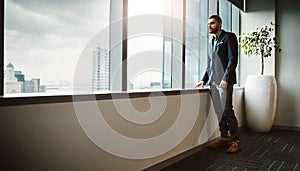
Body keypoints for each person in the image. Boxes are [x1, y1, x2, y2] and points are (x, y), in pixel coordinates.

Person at [194, 15, 240, 153]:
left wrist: (226, 78)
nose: (209, 26)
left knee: (227, 110)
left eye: (212, 23)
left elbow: (233, 60)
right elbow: (209, 64)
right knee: (219, 112)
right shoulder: (212, 41)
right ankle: (224, 138)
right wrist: (204, 79)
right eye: (208, 23)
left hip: (224, 82)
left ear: (219, 24)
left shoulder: (229, 37)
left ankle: (236, 141)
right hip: (213, 83)